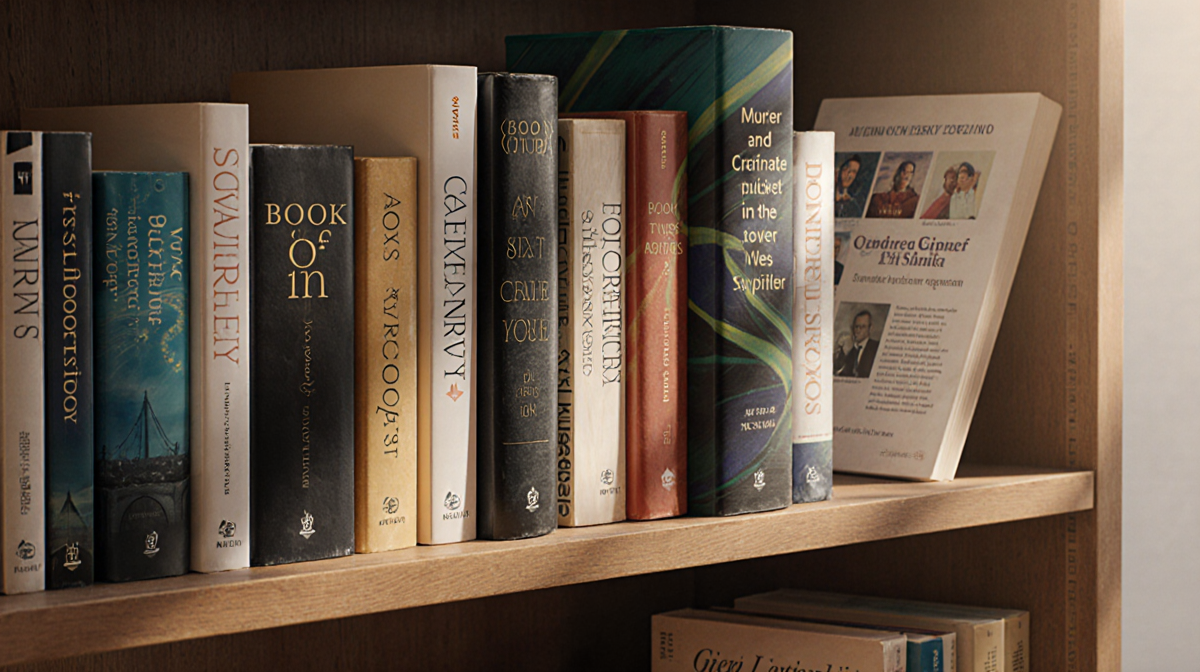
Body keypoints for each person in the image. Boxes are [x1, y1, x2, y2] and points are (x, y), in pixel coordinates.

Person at [834, 310, 880, 378]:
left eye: (862, 327)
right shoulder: (850, 350)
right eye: (856, 326)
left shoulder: (876, 348)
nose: (858, 330)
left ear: (870, 328)